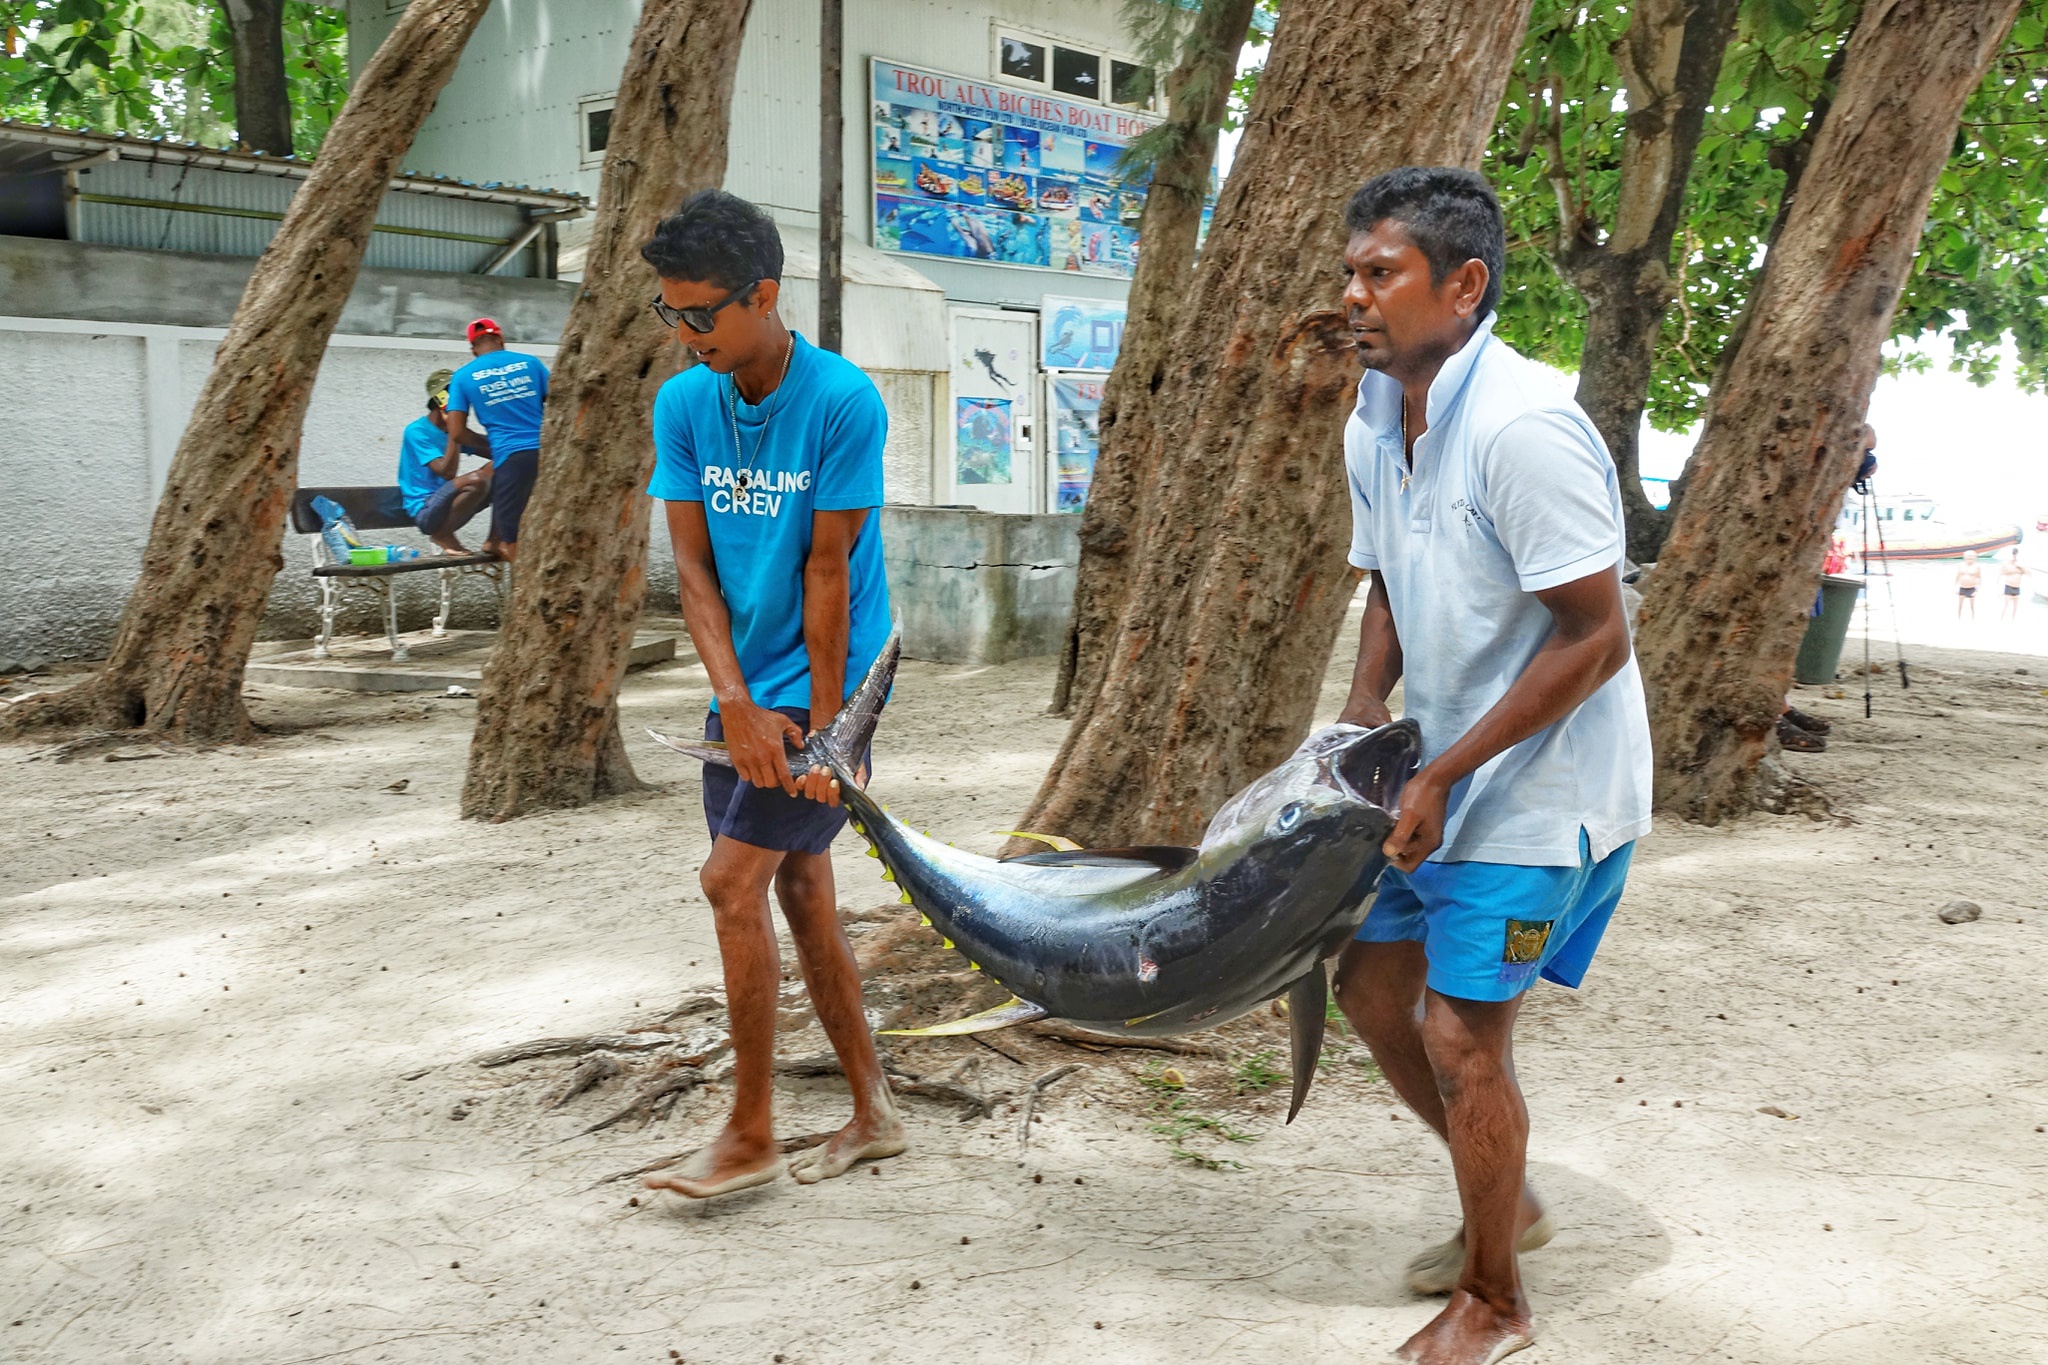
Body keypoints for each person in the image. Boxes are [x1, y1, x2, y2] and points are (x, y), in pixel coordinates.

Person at [1325, 167, 1652, 1365]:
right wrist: (1366, 708)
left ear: (1461, 287)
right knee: (1367, 986)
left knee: (1464, 1039)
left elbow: (1593, 633)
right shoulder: (1376, 416)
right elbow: (1390, 581)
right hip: (1441, 774)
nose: (1354, 296)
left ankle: (1494, 1300)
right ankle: (1500, 1195)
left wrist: (1446, 769)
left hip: (1543, 790)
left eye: (1380, 274)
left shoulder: (1523, 427)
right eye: (1350, 273)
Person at [638, 189, 903, 1200]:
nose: (686, 333)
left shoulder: (841, 401)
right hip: (742, 676)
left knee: (728, 883)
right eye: (670, 313)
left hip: (834, 675)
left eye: (701, 313)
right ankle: (873, 1112)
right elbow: (693, 573)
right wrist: (734, 701)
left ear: (763, 294)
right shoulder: (684, 404)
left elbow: (828, 575)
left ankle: (749, 1134)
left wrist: (831, 735)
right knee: (797, 890)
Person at [443, 318, 549, 561]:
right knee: (518, 532)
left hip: (511, 459)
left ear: (473, 350)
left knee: (510, 543)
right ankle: (492, 541)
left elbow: (456, 432)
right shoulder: (531, 363)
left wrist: (491, 446)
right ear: (501, 340)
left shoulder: (463, 376)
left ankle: (528, 593)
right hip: (548, 456)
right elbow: (559, 399)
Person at [396, 367, 493, 555]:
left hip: (447, 504)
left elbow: (497, 452)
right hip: (426, 509)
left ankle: (498, 537)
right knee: (478, 480)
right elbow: (447, 472)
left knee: (504, 466)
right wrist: (454, 432)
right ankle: (442, 535)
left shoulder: (456, 431)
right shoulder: (416, 432)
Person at [1999, 546, 2026, 621]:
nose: (2014, 555)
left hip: (2017, 587)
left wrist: (2020, 566)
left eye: (2016, 553)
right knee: (2005, 606)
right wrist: (2000, 588)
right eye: (2013, 553)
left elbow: (2027, 573)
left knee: (2015, 607)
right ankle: (2001, 620)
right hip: (2008, 586)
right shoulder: (2007, 563)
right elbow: (2001, 574)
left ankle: (2012, 621)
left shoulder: (2020, 563)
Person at [1956, 549, 1982, 620]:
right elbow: (1957, 577)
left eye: (1971, 556)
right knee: (1960, 606)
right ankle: (1958, 619)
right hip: (1962, 587)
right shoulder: (1960, 565)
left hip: (1971, 588)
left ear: (1975, 557)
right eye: (1968, 556)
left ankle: (1972, 620)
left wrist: (1976, 591)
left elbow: (1979, 579)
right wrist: (1955, 587)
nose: (1970, 557)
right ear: (1964, 556)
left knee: (1972, 606)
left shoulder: (1977, 566)